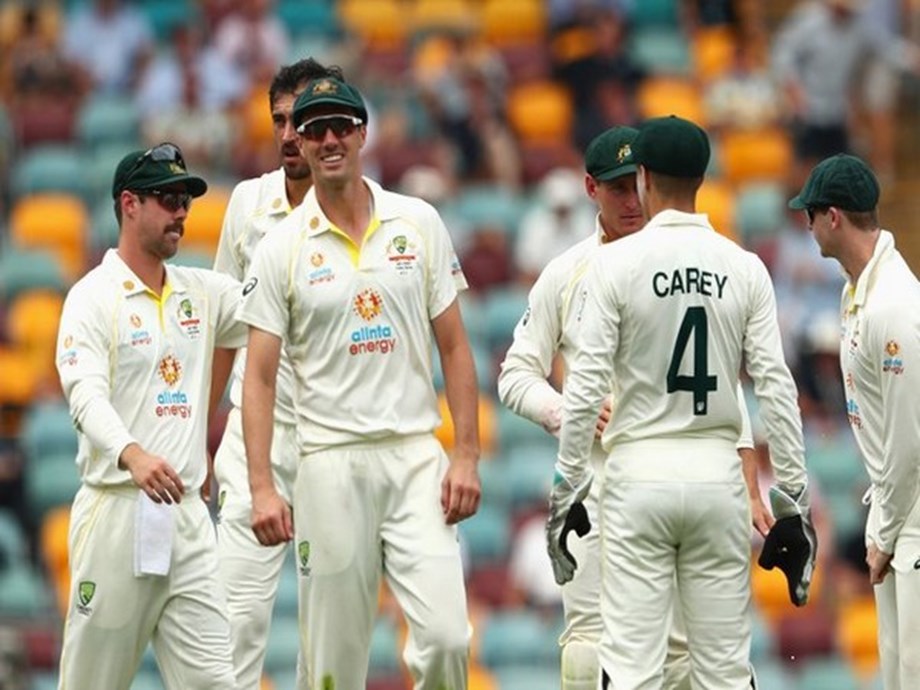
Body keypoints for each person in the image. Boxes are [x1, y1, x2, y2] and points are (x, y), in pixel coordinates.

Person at [499, 126, 772, 690]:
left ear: (649, 180)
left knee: (684, 655)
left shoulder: (690, 262)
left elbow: (719, 382)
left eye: (635, 186)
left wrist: (747, 480)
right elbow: (515, 374)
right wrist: (564, 411)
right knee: (588, 645)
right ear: (590, 189)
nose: (630, 201)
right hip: (596, 480)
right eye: (615, 189)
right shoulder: (566, 273)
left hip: (671, 474)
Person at [237, 77, 481, 690]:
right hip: (329, 464)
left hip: (414, 457)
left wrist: (466, 455)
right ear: (300, 141)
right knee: (333, 667)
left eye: (340, 126)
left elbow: (455, 346)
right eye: (314, 130)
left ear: (363, 133)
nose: (329, 140)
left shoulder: (417, 222)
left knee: (448, 639)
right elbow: (258, 376)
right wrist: (262, 486)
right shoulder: (281, 247)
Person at [54, 143, 245, 689]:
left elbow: (276, 305)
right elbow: (84, 393)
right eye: (168, 199)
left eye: (185, 200)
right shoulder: (92, 297)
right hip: (118, 508)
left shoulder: (201, 292)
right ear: (129, 204)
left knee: (216, 682)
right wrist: (131, 453)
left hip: (186, 516)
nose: (181, 212)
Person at [208, 58, 343, 689]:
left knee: (327, 634)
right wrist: (200, 436)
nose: (289, 135)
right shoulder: (247, 204)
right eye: (279, 121)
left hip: (331, 438)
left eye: (302, 121)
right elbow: (224, 326)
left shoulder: (360, 210)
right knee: (233, 624)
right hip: (253, 436)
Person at [789, 153, 920, 689]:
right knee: (897, 673)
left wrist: (886, 531)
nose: (807, 225)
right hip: (898, 511)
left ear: (834, 217)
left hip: (913, 518)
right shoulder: (857, 293)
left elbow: (911, 436)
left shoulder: (894, 306)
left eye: (811, 214)